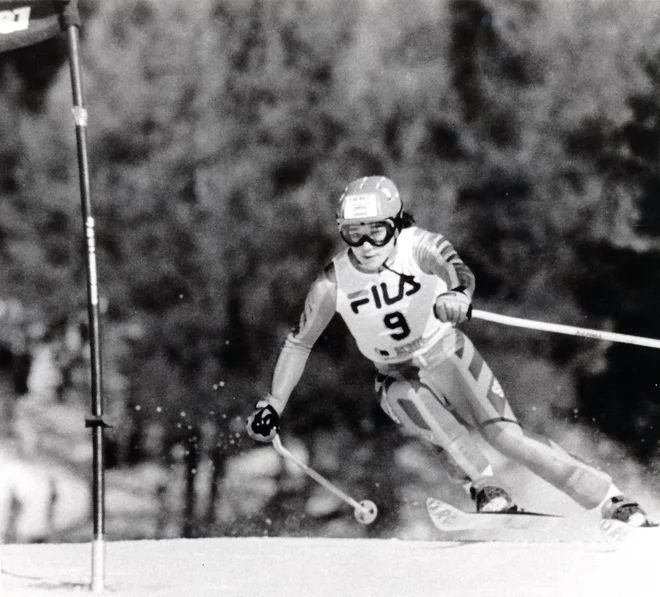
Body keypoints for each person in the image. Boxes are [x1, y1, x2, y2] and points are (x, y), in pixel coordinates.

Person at [246, 175, 652, 527]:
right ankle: (488, 490)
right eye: (353, 233)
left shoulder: (419, 246)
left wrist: (458, 295)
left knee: (506, 436)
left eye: (377, 231)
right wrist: (274, 405)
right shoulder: (332, 282)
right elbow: (299, 342)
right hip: (395, 374)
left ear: (396, 224)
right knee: (418, 406)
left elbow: (458, 271)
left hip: (448, 352)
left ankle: (609, 498)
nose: (366, 245)